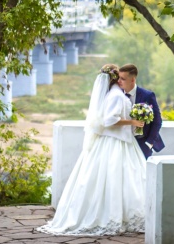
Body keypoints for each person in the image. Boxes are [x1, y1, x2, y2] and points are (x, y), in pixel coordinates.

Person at [37, 64, 146, 236]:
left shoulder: (112, 94)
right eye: (119, 77)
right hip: (115, 143)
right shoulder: (116, 96)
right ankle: (116, 217)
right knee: (119, 180)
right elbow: (109, 121)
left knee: (119, 181)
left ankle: (120, 216)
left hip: (119, 141)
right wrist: (132, 122)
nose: (121, 80)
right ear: (114, 79)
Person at [118, 63, 165, 159]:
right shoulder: (116, 95)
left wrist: (149, 143)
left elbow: (157, 121)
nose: (119, 81)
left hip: (142, 143)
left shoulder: (147, 95)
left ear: (132, 80)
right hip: (122, 142)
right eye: (119, 78)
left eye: (123, 79)